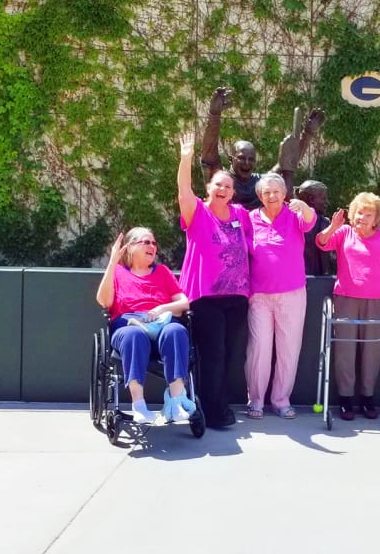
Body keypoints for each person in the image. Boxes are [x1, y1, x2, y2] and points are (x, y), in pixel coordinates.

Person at [178, 132, 251, 429]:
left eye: (228, 186)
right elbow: (183, 190)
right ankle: (214, 412)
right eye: (218, 184)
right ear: (208, 188)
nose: (222, 189)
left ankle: (220, 406)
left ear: (233, 192)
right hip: (205, 297)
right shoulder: (197, 212)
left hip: (237, 298)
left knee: (229, 355)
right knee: (213, 354)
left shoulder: (241, 214)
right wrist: (185, 159)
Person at [316, 192, 380, 420]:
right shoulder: (344, 233)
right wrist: (332, 227)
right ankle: (345, 400)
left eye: (368, 214)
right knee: (345, 350)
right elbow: (322, 243)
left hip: (378, 301)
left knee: (372, 352)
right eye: (359, 213)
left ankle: (367, 398)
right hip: (346, 298)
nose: (362, 217)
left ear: (376, 219)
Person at [95, 228, 193, 425]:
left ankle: (175, 403)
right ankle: (138, 405)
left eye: (154, 243)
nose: (152, 246)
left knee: (177, 330)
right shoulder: (118, 273)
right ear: (130, 247)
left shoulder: (163, 272)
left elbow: (184, 303)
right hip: (129, 325)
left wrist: (161, 308)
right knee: (133, 335)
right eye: (146, 242)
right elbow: (104, 301)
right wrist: (113, 262)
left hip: (161, 325)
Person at [244, 173, 316, 419]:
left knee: (288, 349)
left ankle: (281, 400)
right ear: (260, 196)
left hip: (292, 294)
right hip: (260, 296)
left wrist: (304, 206)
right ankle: (255, 400)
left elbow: (311, 221)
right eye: (266, 192)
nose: (271, 196)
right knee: (259, 349)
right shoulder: (250, 218)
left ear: (285, 194)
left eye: (276, 191)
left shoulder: (295, 216)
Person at [200, 86, 326, 208]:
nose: (247, 163)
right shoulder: (223, 181)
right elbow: (209, 156)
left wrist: (308, 133)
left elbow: (288, 162)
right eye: (241, 158)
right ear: (230, 159)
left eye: (251, 159)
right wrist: (214, 115)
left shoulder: (262, 182)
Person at [295, 179, 335, 275]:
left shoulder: (324, 222)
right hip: (307, 279)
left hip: (311, 278)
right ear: (312, 199)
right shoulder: (294, 221)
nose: (327, 202)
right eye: (324, 198)